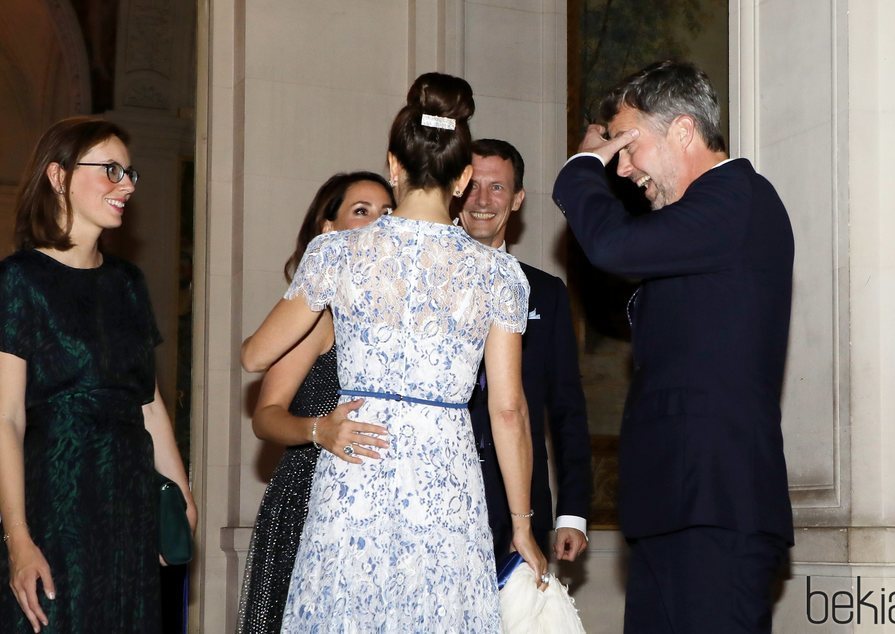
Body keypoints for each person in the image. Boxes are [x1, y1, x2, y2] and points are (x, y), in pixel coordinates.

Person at [241, 72, 547, 631]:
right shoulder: (499, 275)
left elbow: (255, 357)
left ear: (393, 166)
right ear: (461, 179)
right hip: (446, 490)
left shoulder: (335, 253)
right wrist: (523, 525)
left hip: (357, 475)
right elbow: (509, 411)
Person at [552, 60, 794, 633]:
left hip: (717, 506)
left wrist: (584, 163)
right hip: (676, 506)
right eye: (618, 152)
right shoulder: (701, 223)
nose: (626, 167)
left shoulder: (739, 198)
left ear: (684, 131)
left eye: (631, 146)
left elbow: (613, 245)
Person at [0, 116, 196, 633]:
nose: (127, 184)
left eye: (130, 173)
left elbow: (149, 405)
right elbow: (7, 419)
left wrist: (182, 497)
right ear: (58, 176)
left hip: (130, 507)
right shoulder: (18, 280)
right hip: (56, 504)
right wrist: (18, 537)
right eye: (111, 170)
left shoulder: (129, 283)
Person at [236, 172, 393, 633]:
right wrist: (318, 429)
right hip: (308, 496)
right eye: (361, 212)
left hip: (383, 502)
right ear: (328, 231)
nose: (376, 225)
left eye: (387, 214)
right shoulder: (317, 314)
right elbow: (265, 417)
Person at [460, 139, 592, 567]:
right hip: (437, 498)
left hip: (521, 507)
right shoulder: (420, 283)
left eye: (496, 187)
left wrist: (573, 512)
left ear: (517, 199)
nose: (482, 200)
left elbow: (568, 408)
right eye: (472, 185)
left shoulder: (547, 293)